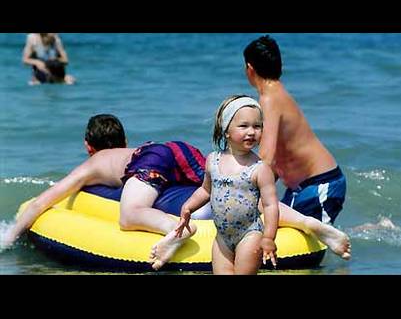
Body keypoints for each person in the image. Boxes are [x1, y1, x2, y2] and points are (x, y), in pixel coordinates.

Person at [1, 114, 208, 271]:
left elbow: (40, 203)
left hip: (153, 159)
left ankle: (178, 229)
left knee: (129, 215)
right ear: (124, 141)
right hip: (180, 151)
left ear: (88, 146)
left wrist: (10, 236)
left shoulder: (92, 165)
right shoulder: (127, 151)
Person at [243, 35, 349, 229]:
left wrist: (241, 188)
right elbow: (277, 160)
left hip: (321, 184)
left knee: (318, 235)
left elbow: (267, 157)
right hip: (300, 188)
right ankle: (376, 227)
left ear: (249, 69)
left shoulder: (270, 99)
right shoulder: (275, 93)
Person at [175, 95, 279, 274]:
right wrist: (188, 207)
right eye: (244, 126)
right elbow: (205, 190)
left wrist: (268, 237)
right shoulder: (213, 161)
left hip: (250, 233)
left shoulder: (259, 169)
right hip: (222, 237)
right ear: (226, 130)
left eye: (257, 126)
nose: (251, 132)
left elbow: (270, 205)